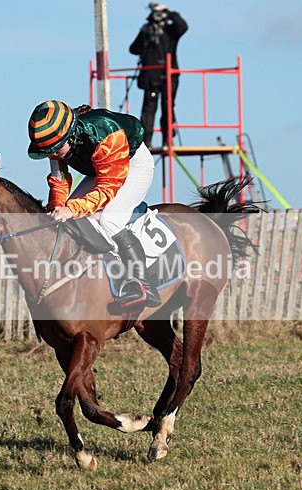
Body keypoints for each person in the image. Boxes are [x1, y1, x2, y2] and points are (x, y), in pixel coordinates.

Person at [27, 99, 162, 309]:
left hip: (132, 164)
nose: (52, 156)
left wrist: (71, 209)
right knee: (69, 211)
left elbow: (107, 187)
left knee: (110, 219)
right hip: (99, 168)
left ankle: (145, 286)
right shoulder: (55, 143)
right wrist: (57, 206)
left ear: (70, 136)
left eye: (55, 150)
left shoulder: (106, 135)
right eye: (48, 152)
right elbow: (60, 181)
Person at [129, 2, 188, 148]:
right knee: (149, 109)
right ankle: (146, 141)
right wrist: (145, 34)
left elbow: (183, 26)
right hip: (151, 78)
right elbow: (134, 49)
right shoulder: (146, 31)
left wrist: (168, 12)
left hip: (170, 77)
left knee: (168, 107)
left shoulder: (170, 32)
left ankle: (168, 139)